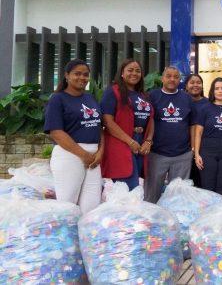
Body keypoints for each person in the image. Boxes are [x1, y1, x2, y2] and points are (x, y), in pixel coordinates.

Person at [44, 59, 103, 214]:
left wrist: (100, 152)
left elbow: (99, 126)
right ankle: (64, 237)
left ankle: (85, 236)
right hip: (70, 155)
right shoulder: (57, 99)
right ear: (66, 76)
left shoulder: (90, 98)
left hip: (94, 157)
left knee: (91, 205)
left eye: (85, 74)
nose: (82, 78)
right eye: (77, 74)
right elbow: (56, 132)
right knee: (67, 204)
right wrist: (83, 154)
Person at [145, 66, 196, 203]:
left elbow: (192, 124)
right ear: (162, 78)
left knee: (178, 197)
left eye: (176, 77)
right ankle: (151, 221)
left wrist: (192, 148)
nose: (172, 79)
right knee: (151, 195)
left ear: (180, 80)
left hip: (182, 154)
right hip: (157, 154)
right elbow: (147, 120)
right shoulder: (152, 96)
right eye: (169, 76)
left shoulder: (186, 98)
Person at [101, 59, 154, 191]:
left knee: (136, 185)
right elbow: (108, 122)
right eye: (130, 70)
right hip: (121, 142)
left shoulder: (143, 95)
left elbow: (151, 118)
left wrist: (148, 140)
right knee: (129, 188)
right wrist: (130, 141)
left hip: (141, 143)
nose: (134, 73)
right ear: (122, 73)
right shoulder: (113, 91)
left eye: (138, 71)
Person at [184, 73, 209, 187]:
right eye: (192, 82)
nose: (195, 85)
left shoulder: (209, 103)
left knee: (201, 182)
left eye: (198, 83)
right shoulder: (180, 102)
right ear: (186, 86)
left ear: (202, 86)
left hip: (204, 150)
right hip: (183, 149)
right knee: (185, 182)